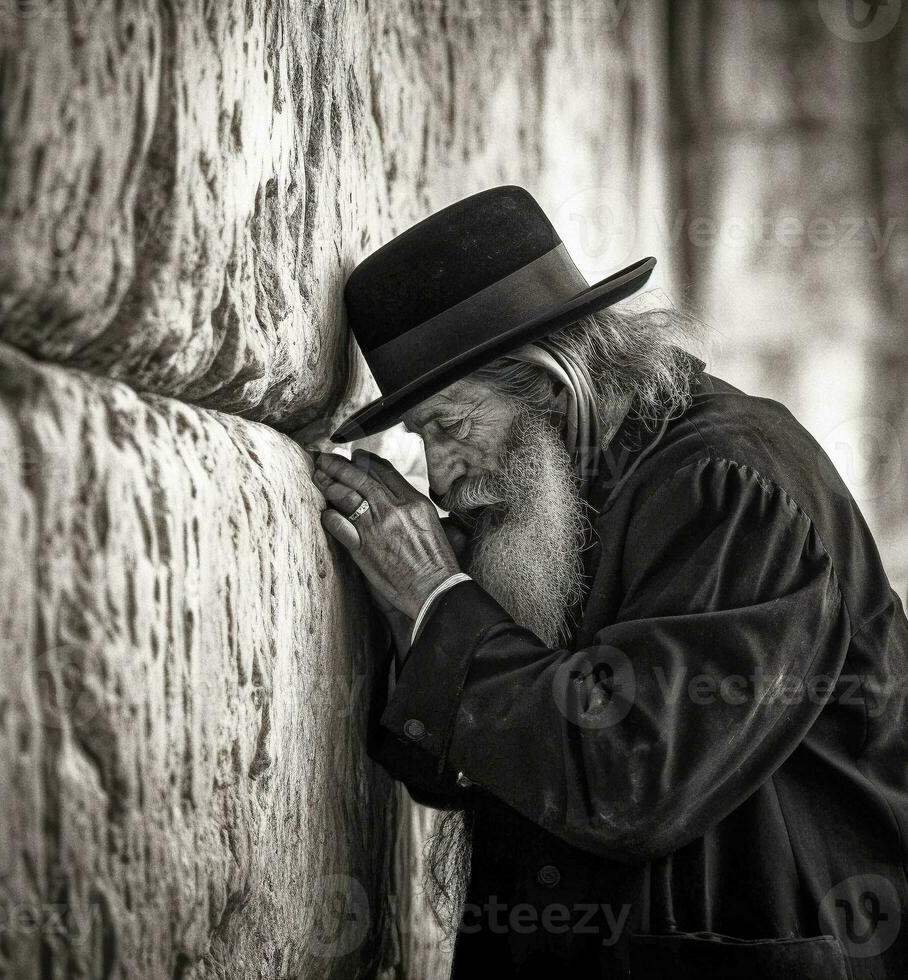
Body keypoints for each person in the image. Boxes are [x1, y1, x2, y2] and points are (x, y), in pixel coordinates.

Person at [313, 186, 908, 979]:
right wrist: (413, 622)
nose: (444, 480)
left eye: (450, 428)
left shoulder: (729, 485)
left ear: (554, 385)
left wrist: (440, 603)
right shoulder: (562, 494)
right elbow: (490, 763)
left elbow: (629, 776)